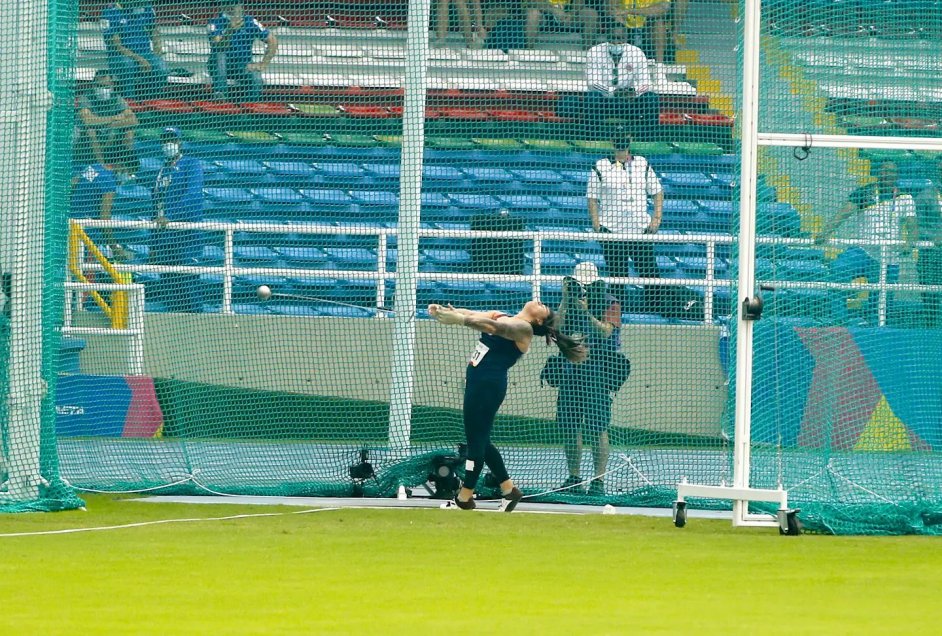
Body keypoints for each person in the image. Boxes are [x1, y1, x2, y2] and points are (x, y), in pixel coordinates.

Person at [428, 300, 587, 510]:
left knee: (475, 442)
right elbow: (475, 313)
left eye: (544, 307)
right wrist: (446, 312)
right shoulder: (503, 314)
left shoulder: (524, 329)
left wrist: (460, 320)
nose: (540, 302)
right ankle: (509, 489)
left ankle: (464, 497)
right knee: (481, 440)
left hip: (488, 386)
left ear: (539, 319)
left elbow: (494, 328)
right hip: (477, 382)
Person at [816, 161, 917, 324]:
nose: (888, 174)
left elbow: (912, 226)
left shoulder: (905, 198)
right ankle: (839, 320)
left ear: (897, 175)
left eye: (892, 171)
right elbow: (843, 214)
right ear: (877, 173)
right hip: (862, 250)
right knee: (837, 271)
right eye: (884, 171)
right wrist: (825, 232)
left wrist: (909, 242)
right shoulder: (865, 192)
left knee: (883, 298)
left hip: (889, 257)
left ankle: (874, 327)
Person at [556, 262, 622, 497]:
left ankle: (598, 481)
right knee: (570, 426)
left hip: (599, 370)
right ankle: (574, 478)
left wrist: (586, 312)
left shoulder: (610, 302)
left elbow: (606, 331)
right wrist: (565, 300)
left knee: (598, 426)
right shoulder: (570, 302)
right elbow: (556, 327)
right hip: (571, 370)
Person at [587, 133, 664, 313]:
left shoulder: (642, 163)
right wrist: (597, 224)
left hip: (640, 231)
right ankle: (616, 317)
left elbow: (658, 192)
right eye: (618, 135)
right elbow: (592, 198)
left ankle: (656, 312)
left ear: (630, 139)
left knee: (650, 275)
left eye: (625, 134)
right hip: (612, 232)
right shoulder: (600, 166)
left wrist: (657, 217)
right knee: (617, 277)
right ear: (612, 140)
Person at [151, 127, 204, 313]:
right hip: (165, 241)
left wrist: (171, 216)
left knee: (188, 287)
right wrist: (153, 244)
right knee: (169, 290)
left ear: (180, 142)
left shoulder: (191, 164)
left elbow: (193, 195)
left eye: (172, 140)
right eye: (164, 140)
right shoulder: (161, 171)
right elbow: (155, 205)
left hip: (186, 238)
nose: (168, 144)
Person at [583, 25, 661, 140]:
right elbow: (593, 83)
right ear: (606, 37)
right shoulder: (594, 52)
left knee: (651, 98)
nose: (615, 42)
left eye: (619, 38)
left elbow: (646, 83)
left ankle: (647, 139)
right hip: (606, 102)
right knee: (592, 96)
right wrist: (614, 92)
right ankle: (593, 138)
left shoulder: (636, 53)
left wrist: (634, 92)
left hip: (629, 102)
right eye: (612, 38)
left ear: (626, 39)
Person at [71, 144, 136, 262]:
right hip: (87, 235)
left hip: (71, 223)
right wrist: (113, 246)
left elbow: (73, 184)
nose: (129, 177)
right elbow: (104, 216)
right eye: (129, 172)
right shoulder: (110, 184)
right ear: (121, 164)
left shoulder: (93, 167)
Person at [208, 1, 279, 102]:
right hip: (218, 66)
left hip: (242, 66)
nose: (233, 7)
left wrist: (263, 64)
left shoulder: (250, 21)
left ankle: (251, 107)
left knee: (256, 77)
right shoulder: (215, 22)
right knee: (221, 56)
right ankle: (221, 98)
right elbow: (219, 46)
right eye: (230, 3)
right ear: (223, 5)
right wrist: (230, 30)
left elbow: (272, 40)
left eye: (236, 4)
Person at [101, 0, 167, 100]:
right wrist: (140, 60)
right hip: (120, 56)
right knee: (128, 65)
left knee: (161, 68)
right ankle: (130, 101)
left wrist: (158, 48)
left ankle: (151, 101)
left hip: (145, 54)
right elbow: (116, 45)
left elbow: (154, 30)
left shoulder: (146, 7)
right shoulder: (110, 11)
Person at [76, 71, 139, 170]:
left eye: (106, 87)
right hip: (87, 144)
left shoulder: (116, 98)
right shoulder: (86, 98)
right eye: (99, 86)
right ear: (94, 85)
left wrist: (112, 125)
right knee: (91, 131)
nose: (102, 90)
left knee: (129, 132)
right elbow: (88, 121)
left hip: (110, 138)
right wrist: (113, 118)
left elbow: (134, 120)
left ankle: (123, 166)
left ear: (112, 85)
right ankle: (102, 167)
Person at [915, 160, 942, 327]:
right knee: (930, 288)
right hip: (931, 252)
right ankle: (931, 323)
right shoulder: (925, 196)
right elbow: (917, 225)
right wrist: (932, 237)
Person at [525, 0, 599, 50]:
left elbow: (579, 2)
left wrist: (571, 14)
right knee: (533, 14)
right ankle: (529, 52)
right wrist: (554, 10)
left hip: (567, 14)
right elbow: (533, 2)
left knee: (591, 13)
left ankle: (589, 54)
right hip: (544, 13)